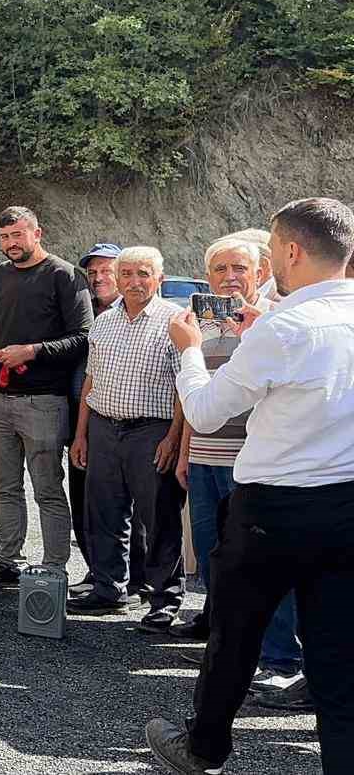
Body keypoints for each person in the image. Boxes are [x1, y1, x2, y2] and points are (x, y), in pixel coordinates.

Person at [146, 198, 354, 775]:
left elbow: (206, 411)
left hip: (272, 508)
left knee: (234, 636)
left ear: (291, 250)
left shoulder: (285, 327)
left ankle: (204, 749)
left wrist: (190, 353)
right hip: (345, 501)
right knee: (337, 655)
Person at [170, 236, 300, 692]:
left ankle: (281, 659)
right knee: (214, 559)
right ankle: (227, 651)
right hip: (205, 456)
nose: (229, 277)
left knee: (263, 566)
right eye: (220, 269)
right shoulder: (197, 324)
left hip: (254, 462)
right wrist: (185, 451)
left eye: (239, 268)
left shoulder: (274, 321)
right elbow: (194, 393)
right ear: (207, 277)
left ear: (260, 272)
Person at [66, 247, 187, 632]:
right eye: (128, 274)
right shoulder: (103, 322)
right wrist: (81, 434)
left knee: (159, 517)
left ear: (159, 278)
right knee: (104, 512)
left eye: (144, 274)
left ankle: (165, 599)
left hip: (151, 431)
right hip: (103, 426)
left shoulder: (176, 321)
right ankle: (109, 588)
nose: (135, 282)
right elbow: (91, 380)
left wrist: (173, 438)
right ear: (117, 279)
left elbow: (184, 388)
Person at [0, 207, 92, 589]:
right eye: (4, 237)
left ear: (37, 233)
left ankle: (54, 568)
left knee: (48, 489)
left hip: (43, 401)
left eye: (18, 235)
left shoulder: (65, 275)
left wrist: (33, 351)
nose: (11, 243)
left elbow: (84, 338)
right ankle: (9, 561)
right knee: (4, 486)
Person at [68, 242, 148, 599]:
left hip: (132, 424)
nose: (98, 278)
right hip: (85, 420)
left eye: (106, 271)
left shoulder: (139, 314)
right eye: (92, 272)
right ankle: (99, 573)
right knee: (88, 502)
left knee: (130, 508)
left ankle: (137, 580)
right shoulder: (84, 310)